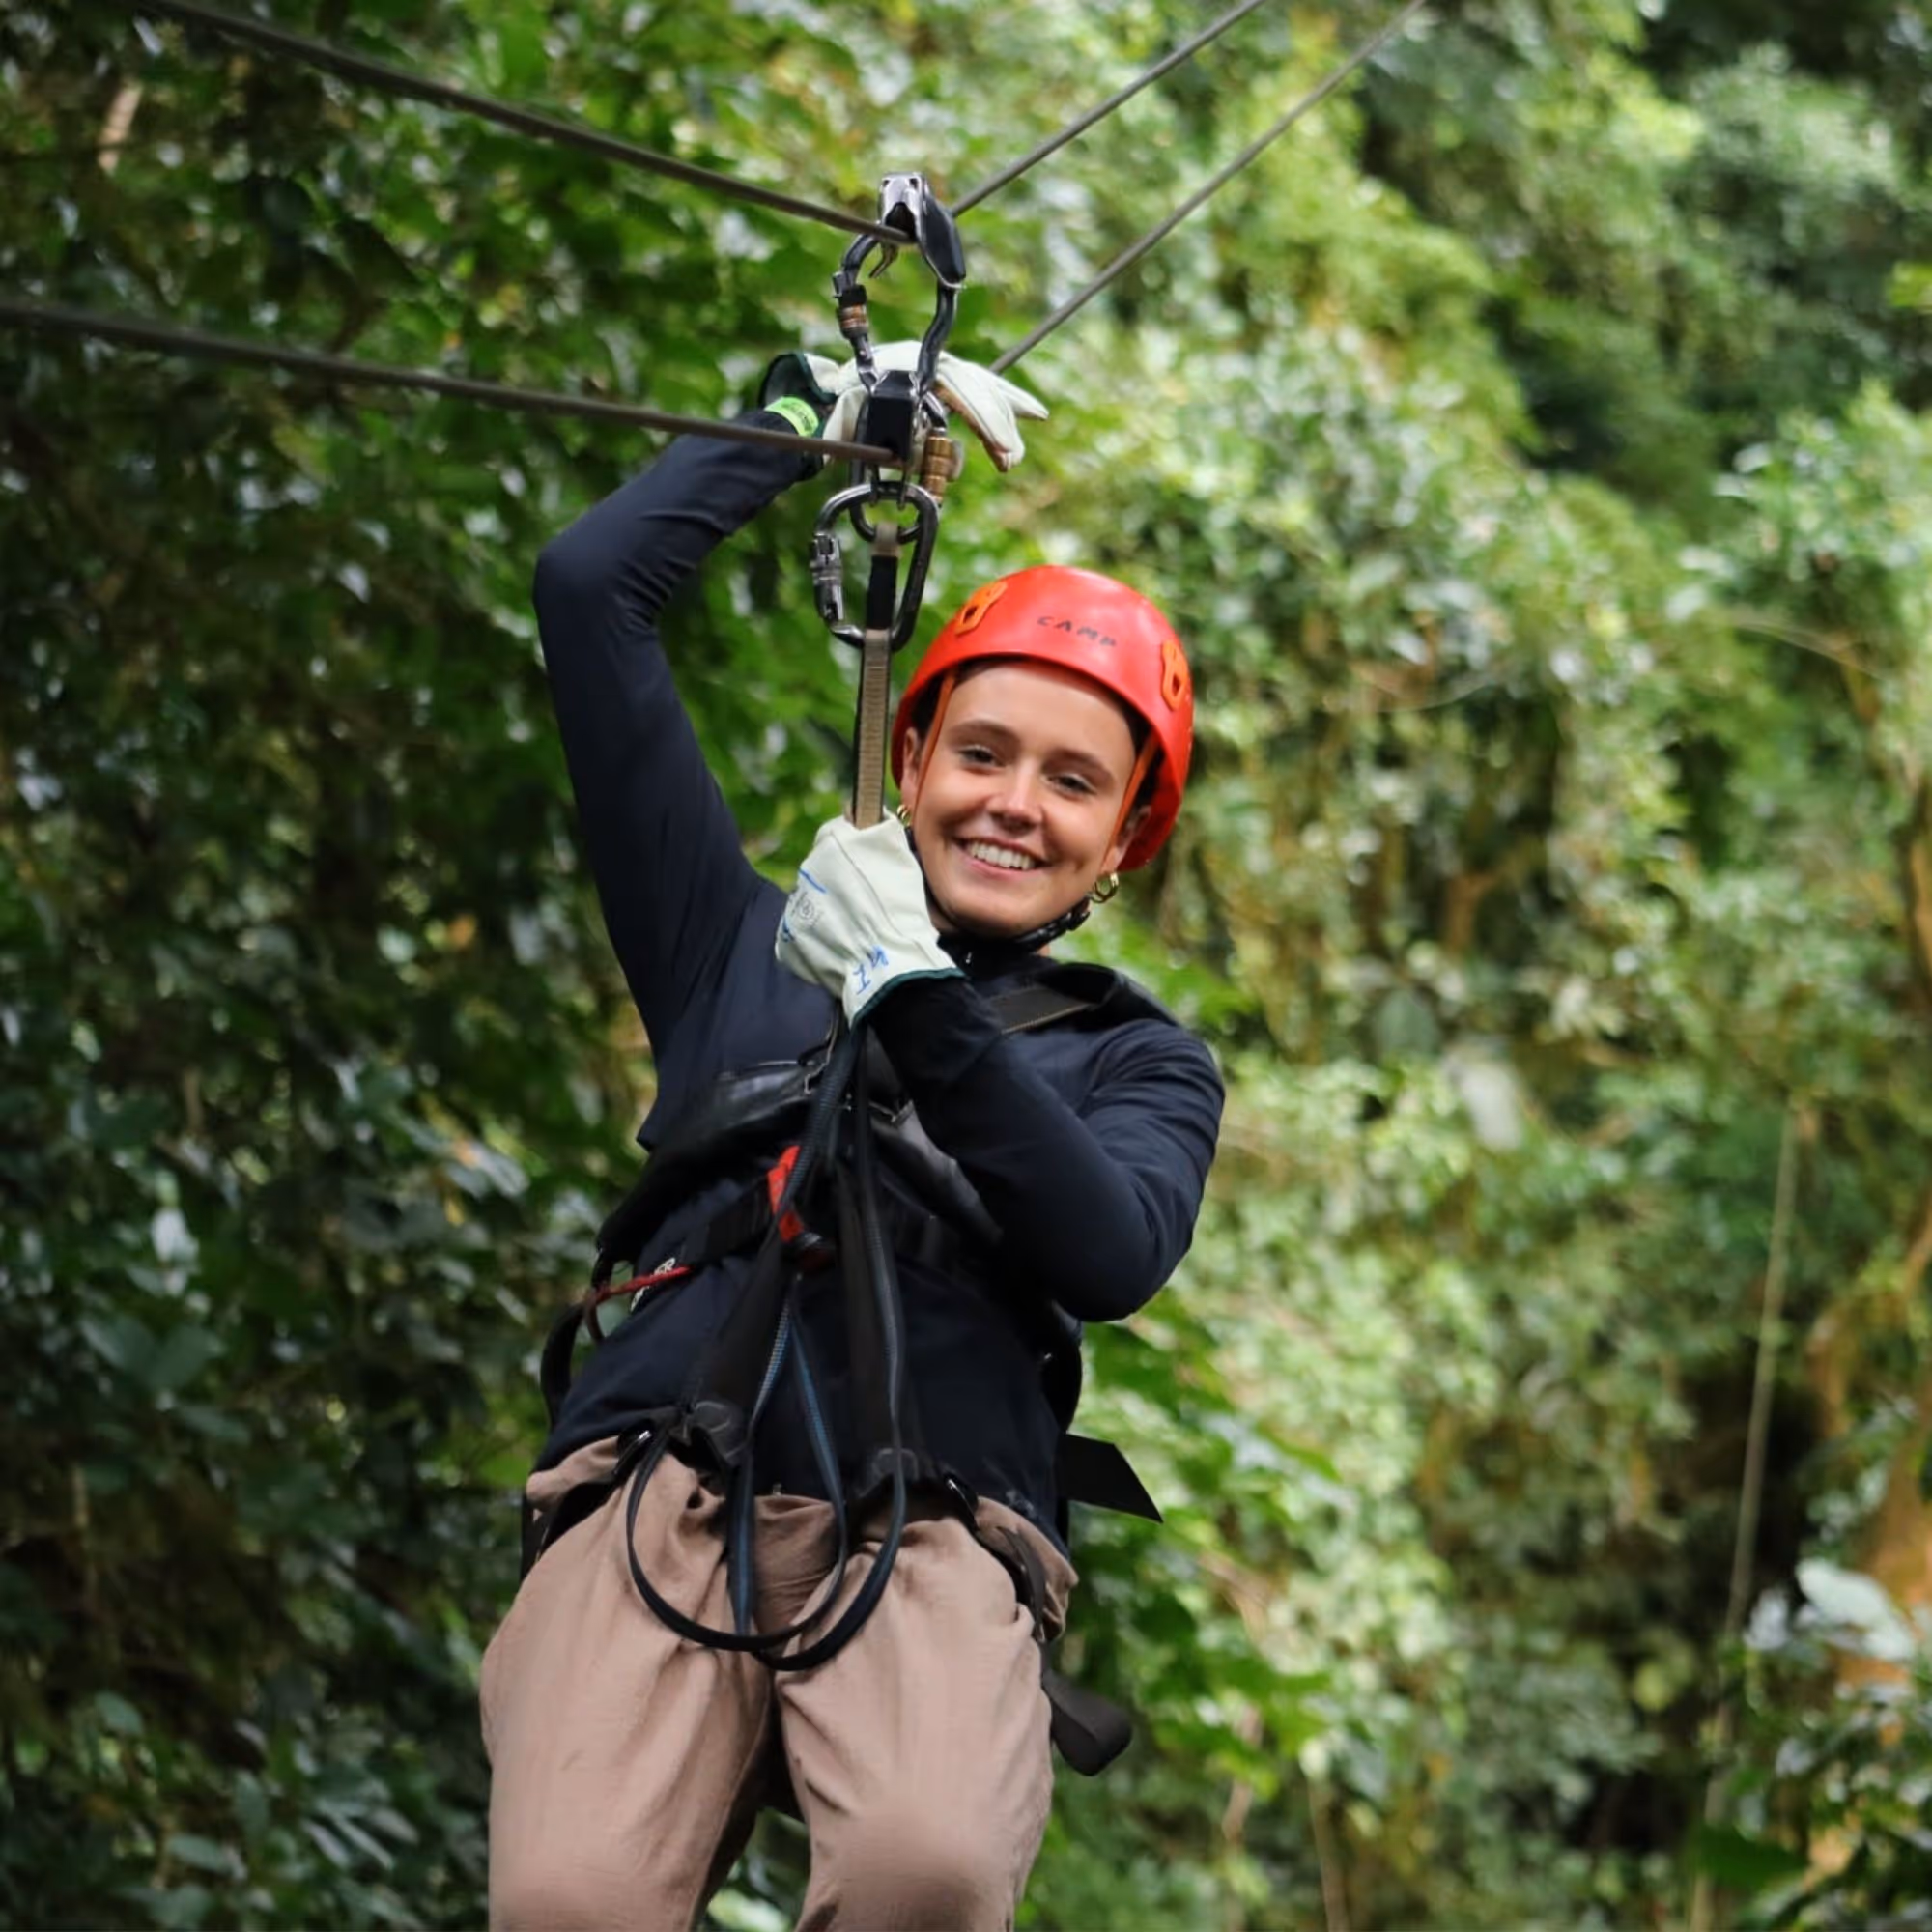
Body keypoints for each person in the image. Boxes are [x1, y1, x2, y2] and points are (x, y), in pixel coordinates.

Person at [480, 345, 1225, 1932]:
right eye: (982, 753)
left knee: (926, 1868)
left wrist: (911, 996)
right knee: (568, 1899)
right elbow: (587, 593)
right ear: (911, 758)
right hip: (664, 1478)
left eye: (1074, 783)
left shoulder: (1136, 1058)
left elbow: (1108, 1251)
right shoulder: (732, 949)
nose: (1014, 802)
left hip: (940, 1509)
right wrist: (797, 422)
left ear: (1121, 844)